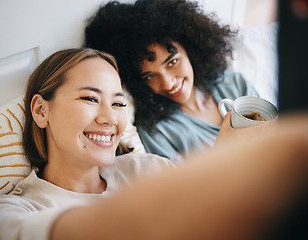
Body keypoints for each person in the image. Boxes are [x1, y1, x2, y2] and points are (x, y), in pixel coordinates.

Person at [0, 48, 308, 240]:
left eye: (119, 103)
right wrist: (218, 166)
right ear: (41, 110)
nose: (110, 118)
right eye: (90, 99)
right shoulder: (4, 214)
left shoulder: (148, 167)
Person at [84, 0, 259, 163]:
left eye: (172, 62)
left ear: (190, 48)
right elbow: (186, 192)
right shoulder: (157, 131)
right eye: (150, 76)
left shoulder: (234, 84)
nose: (168, 83)